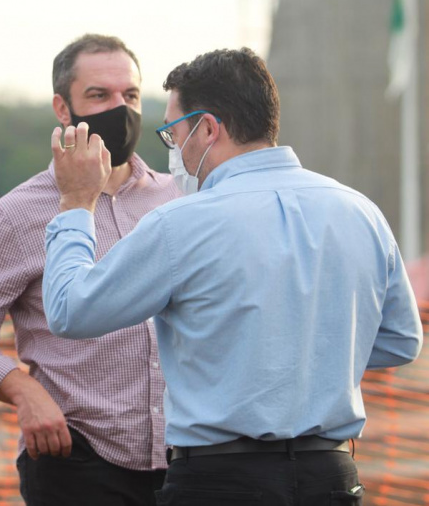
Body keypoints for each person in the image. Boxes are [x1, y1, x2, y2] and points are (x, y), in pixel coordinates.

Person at [42, 47, 423, 504]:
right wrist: (310, 357)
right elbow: (401, 340)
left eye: (173, 134)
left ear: (206, 128)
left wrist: (76, 203)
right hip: (332, 476)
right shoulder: (360, 212)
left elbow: (70, 310)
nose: (174, 152)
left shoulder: (180, 223)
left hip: (221, 479)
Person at [0, 34, 179, 505]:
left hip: (185, 460)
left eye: (130, 95)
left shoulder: (178, 198)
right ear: (63, 109)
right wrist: (24, 392)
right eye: (99, 95)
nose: (120, 108)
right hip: (75, 456)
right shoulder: (16, 214)